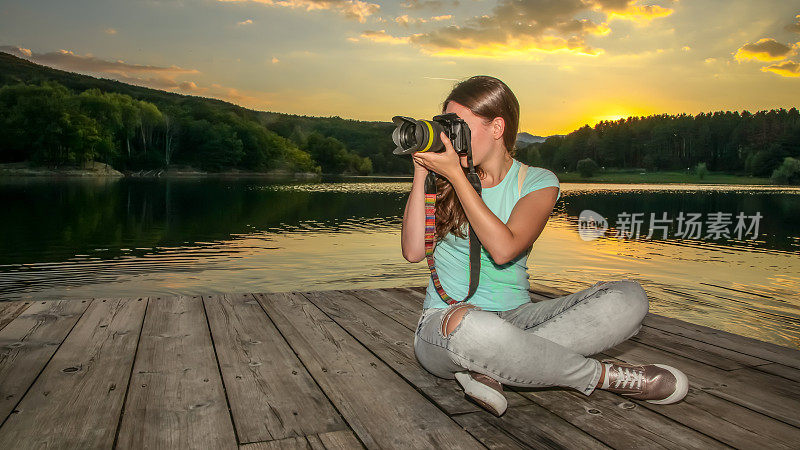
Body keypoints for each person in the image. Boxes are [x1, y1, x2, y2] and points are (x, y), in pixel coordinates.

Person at [401, 75, 688, 417]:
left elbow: (504, 249)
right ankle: (603, 376)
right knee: (475, 327)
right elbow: (413, 252)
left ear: (496, 128)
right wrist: (423, 172)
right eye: (443, 125)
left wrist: (459, 178)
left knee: (629, 298)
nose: (447, 136)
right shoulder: (444, 179)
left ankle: (491, 368)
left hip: (520, 319)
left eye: (456, 126)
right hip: (447, 324)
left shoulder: (538, 181)